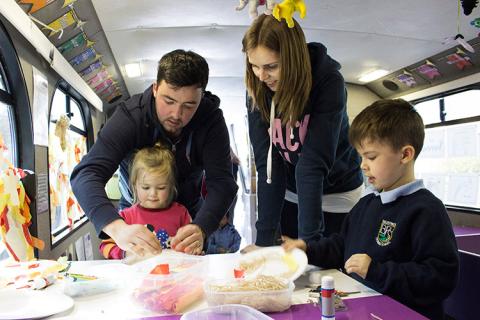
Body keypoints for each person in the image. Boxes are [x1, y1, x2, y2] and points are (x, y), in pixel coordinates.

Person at [282, 99, 459, 320]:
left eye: (371, 157)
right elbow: (341, 245)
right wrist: (307, 249)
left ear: (405, 155)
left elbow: (440, 277)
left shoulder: (426, 210)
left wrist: (376, 271)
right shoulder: (367, 204)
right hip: (366, 307)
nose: (363, 165)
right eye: (361, 156)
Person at [71, 49, 238, 257]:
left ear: (201, 97)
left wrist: (202, 226)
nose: (177, 115)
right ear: (155, 88)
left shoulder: (210, 120)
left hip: (190, 216)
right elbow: (86, 174)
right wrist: (117, 228)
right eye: (169, 101)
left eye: (189, 105)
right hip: (134, 211)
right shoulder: (130, 117)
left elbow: (222, 182)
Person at [242, 14, 363, 246]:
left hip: (338, 191)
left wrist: (311, 245)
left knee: (323, 265)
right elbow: (267, 164)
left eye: (271, 66)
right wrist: (263, 241)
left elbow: (312, 165)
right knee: (283, 260)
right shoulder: (257, 87)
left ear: (292, 58)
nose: (261, 76)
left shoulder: (329, 82)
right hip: (292, 190)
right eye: (254, 66)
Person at [99, 144, 191, 259]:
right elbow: (105, 245)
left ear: (171, 187)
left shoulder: (181, 213)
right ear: (135, 186)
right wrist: (125, 253)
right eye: (146, 188)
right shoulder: (125, 217)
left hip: (173, 273)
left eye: (161, 188)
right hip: (137, 274)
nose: (153, 194)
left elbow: (191, 244)